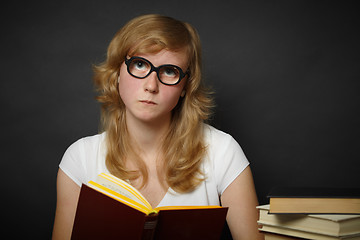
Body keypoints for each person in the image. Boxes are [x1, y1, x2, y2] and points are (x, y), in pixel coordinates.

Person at [52, 14, 264, 240]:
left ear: (185, 85)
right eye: (140, 64)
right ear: (117, 73)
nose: (151, 85)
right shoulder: (79, 159)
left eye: (170, 71)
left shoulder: (223, 152)